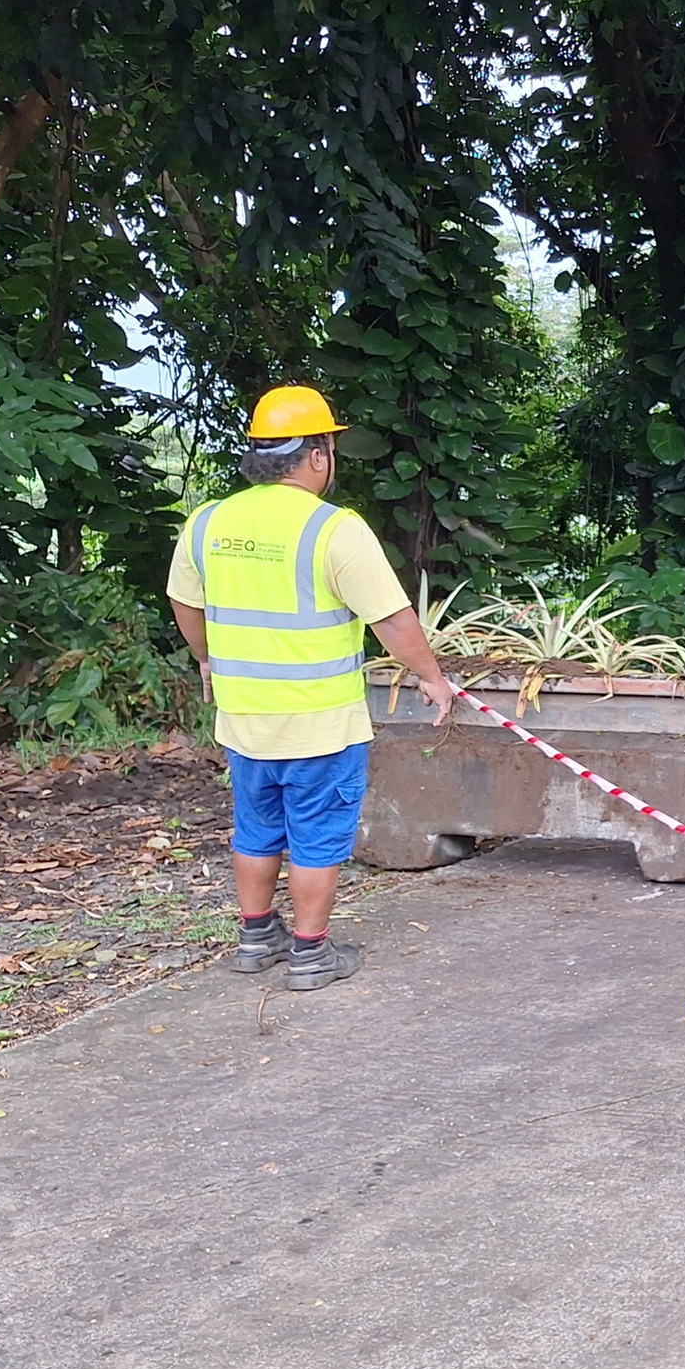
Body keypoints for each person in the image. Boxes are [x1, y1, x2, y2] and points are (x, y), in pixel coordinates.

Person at [167, 386, 459, 991]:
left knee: (255, 828)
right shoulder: (334, 529)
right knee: (316, 838)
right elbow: (393, 620)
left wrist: (206, 661)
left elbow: (184, 602)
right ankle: (310, 953)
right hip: (321, 722)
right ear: (320, 454)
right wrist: (432, 678)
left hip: (246, 716)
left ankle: (255, 939)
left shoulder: (208, 522)